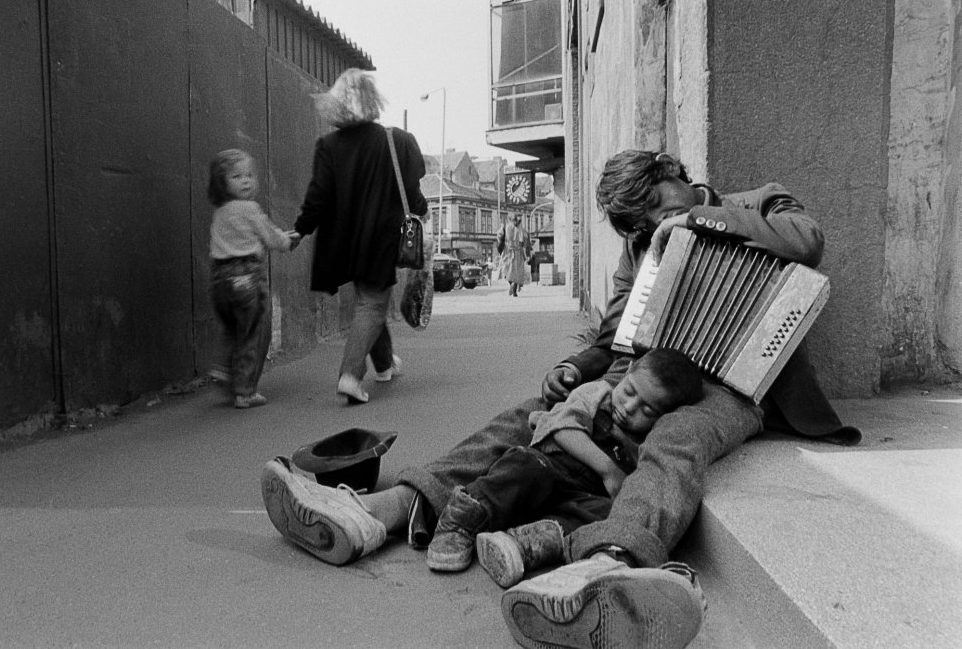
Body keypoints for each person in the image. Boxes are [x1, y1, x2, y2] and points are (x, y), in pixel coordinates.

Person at [261, 149, 861, 648]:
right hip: (645, 373)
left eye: (657, 203)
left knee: (678, 438)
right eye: (640, 222)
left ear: (672, 171)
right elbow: (618, 334)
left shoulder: (759, 202)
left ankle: (608, 565)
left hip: (729, 385)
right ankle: (382, 511)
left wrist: (700, 221)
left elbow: (807, 240)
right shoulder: (641, 250)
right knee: (528, 415)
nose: (656, 221)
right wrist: (576, 368)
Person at [425, 348, 703, 583]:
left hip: (579, 497)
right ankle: (463, 518)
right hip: (550, 468)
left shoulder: (648, 440)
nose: (630, 407)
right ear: (627, 371)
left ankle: (526, 542)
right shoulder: (597, 393)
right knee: (524, 466)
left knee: (608, 512)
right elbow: (561, 426)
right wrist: (608, 470)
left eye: (647, 410)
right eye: (629, 391)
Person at [287, 69, 428, 405]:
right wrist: (421, 212)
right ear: (372, 100)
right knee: (373, 303)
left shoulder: (327, 146)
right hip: (380, 237)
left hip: (342, 242)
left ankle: (384, 364)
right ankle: (350, 375)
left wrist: (301, 229)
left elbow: (317, 197)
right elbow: (412, 191)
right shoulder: (395, 140)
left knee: (370, 299)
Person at [207, 149, 294, 409]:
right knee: (252, 333)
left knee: (231, 328)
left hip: (220, 280)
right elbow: (271, 237)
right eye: (237, 176)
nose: (245, 180)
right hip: (247, 277)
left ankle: (222, 369)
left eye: (249, 175)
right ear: (222, 182)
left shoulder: (220, 212)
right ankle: (245, 391)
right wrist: (287, 241)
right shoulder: (250, 208)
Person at [498, 214, 530, 296]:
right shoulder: (521, 229)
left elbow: (500, 236)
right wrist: (526, 252)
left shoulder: (506, 227)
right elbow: (526, 239)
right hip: (518, 252)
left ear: (509, 219)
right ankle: (514, 289)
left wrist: (500, 247)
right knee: (516, 272)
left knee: (506, 270)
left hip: (507, 251)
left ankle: (511, 285)